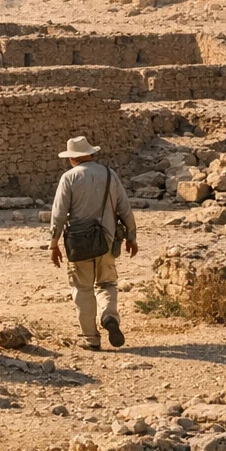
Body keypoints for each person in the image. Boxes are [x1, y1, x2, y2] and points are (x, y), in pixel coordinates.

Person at [49, 135, 137, 350]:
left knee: (82, 288)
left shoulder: (68, 178)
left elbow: (59, 214)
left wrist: (53, 244)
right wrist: (131, 237)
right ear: (91, 153)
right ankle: (109, 316)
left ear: (72, 158)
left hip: (79, 244)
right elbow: (124, 208)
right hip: (107, 240)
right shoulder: (109, 174)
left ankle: (91, 338)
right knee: (107, 283)